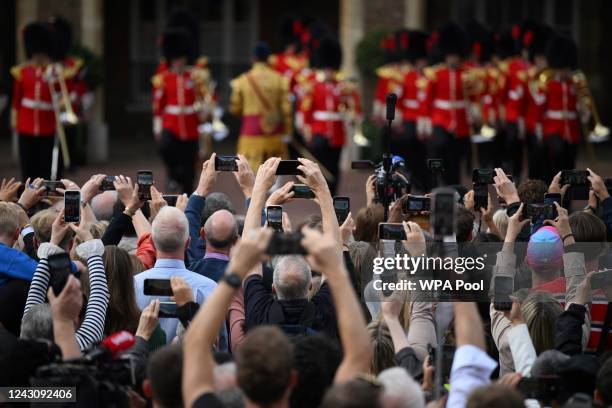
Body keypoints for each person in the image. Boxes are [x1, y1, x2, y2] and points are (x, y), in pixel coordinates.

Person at [133, 206, 221, 345]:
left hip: (141, 363)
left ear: (152, 243)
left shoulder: (133, 285)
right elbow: (219, 344)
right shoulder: (209, 288)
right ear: (188, 243)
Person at [299, 36, 360, 194]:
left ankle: (332, 193)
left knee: (334, 166)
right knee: (319, 163)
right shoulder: (313, 87)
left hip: (337, 132)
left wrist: (349, 102)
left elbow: (350, 108)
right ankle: (317, 191)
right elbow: (306, 110)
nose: (329, 72)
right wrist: (307, 129)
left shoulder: (341, 88)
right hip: (318, 130)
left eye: (331, 69)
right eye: (326, 69)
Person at [152, 28, 207, 193]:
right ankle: (174, 176)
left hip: (191, 126)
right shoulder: (164, 79)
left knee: (190, 166)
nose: (178, 62)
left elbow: (203, 98)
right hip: (171, 123)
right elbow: (158, 106)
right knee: (165, 149)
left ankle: (187, 193)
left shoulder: (195, 77)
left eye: (181, 59)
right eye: (175, 59)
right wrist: (157, 127)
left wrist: (205, 111)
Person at [229, 42, 292, 172]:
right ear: (268, 58)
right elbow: (286, 110)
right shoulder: (279, 79)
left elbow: (235, 109)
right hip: (274, 134)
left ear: (253, 58)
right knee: (274, 173)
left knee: (251, 175)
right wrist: (288, 132)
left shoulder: (242, 80)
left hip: (250, 135)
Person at [422, 22, 470, 185]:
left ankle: (453, 187)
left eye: (455, 56)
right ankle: (436, 182)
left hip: (460, 122)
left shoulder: (466, 74)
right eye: (450, 56)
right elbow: (428, 100)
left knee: (455, 159)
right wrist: (426, 123)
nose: (452, 59)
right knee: (438, 149)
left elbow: (473, 97)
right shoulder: (436, 74)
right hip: (439, 119)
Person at [11, 21, 57, 180]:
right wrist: (14, 120)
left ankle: (45, 197)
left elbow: (60, 99)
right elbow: (17, 100)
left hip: (47, 124)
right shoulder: (23, 72)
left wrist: (54, 80)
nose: (38, 57)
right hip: (26, 124)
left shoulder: (54, 72)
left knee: (45, 166)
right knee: (28, 166)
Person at [540, 34, 582, 181]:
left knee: (570, 164)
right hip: (553, 128)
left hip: (571, 129)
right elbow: (541, 107)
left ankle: (567, 200)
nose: (564, 71)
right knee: (557, 155)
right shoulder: (548, 83)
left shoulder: (575, 84)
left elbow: (581, 110)